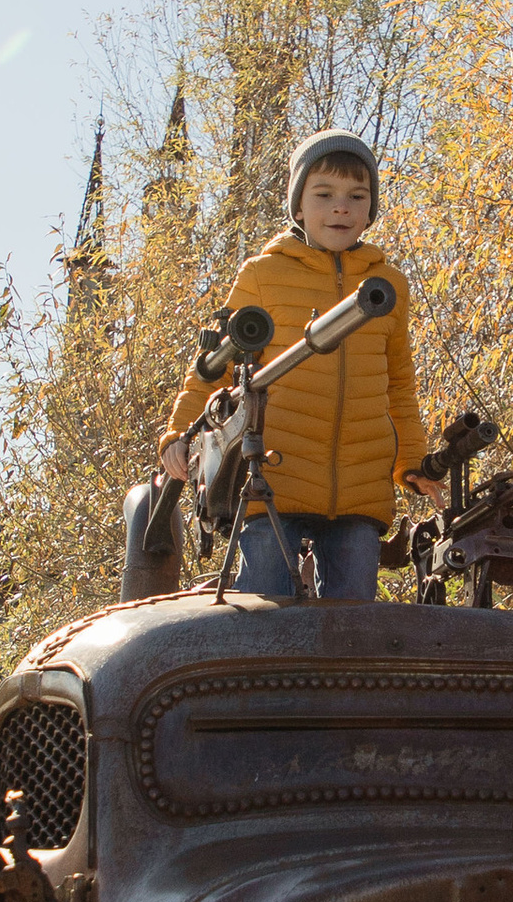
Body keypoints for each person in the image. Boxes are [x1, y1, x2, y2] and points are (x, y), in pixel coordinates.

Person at [158, 130, 441, 600]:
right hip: (273, 476)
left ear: (371, 209)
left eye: (357, 196)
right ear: (297, 206)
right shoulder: (262, 275)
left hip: (360, 485)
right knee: (265, 608)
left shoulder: (387, 285)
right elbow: (217, 368)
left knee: (351, 622)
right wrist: (180, 433)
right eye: (324, 195)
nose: (341, 208)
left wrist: (411, 463)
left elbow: (399, 388)